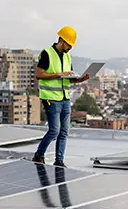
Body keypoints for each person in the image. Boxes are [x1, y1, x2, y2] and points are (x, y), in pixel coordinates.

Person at [32, 26, 89, 167]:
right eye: (69, 44)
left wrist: (80, 79)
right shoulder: (47, 54)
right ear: (61, 40)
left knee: (64, 132)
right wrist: (58, 74)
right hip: (50, 98)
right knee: (54, 131)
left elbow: (68, 78)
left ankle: (59, 161)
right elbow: (39, 75)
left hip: (64, 98)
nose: (70, 47)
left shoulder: (67, 56)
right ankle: (38, 155)